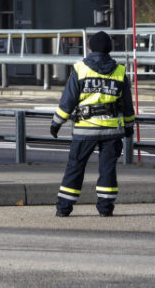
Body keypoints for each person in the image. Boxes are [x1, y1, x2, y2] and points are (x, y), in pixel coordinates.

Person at [51, 30, 136, 217]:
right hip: (112, 130)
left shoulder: (80, 69)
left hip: (85, 129)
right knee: (107, 169)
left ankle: (64, 208)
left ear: (90, 47)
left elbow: (68, 100)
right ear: (109, 49)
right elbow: (127, 105)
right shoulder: (120, 72)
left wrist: (57, 122)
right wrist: (129, 126)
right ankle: (106, 208)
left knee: (75, 167)